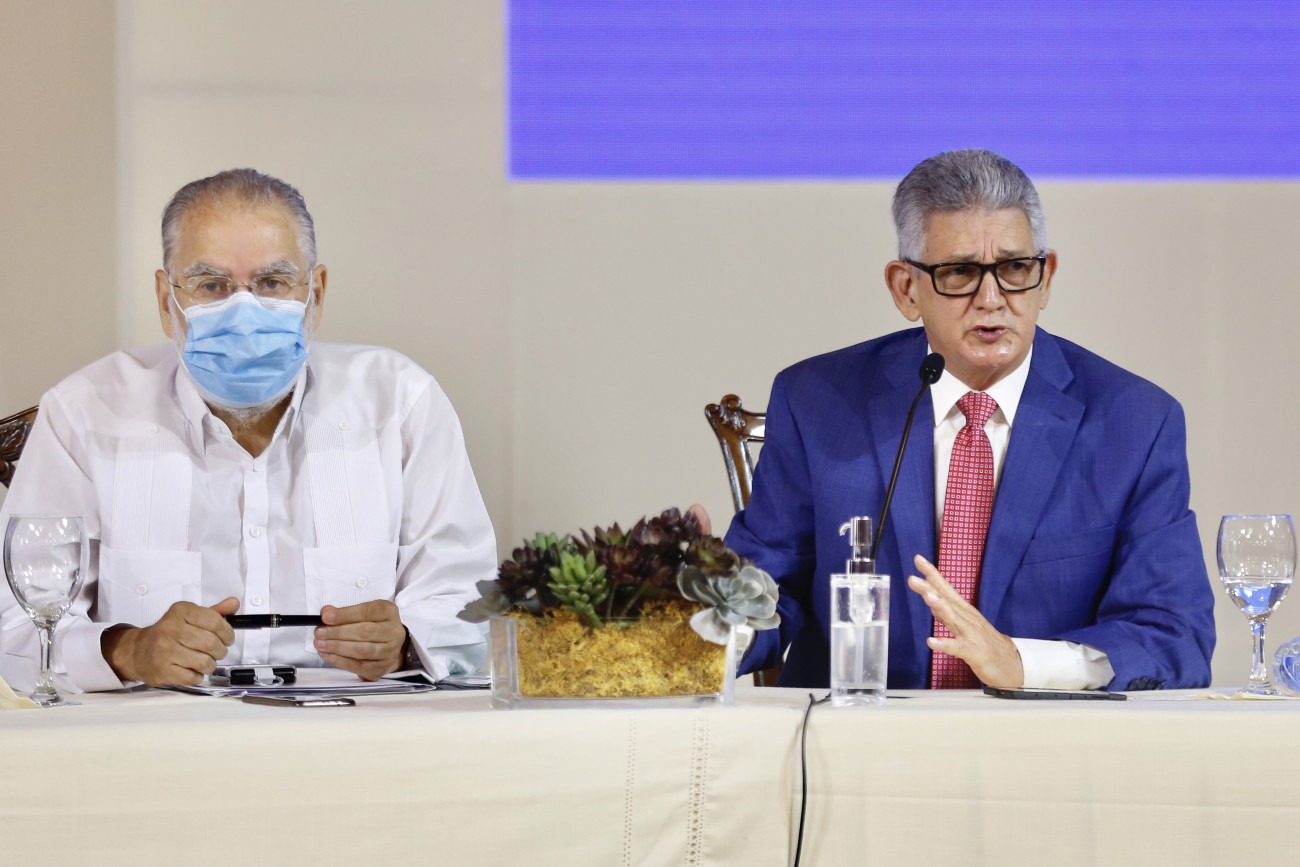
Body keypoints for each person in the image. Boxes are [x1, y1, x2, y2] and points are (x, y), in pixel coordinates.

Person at [726, 149, 1215, 691]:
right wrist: (702, 619)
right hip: (855, 734)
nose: (991, 298)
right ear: (906, 289)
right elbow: (767, 588)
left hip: (1043, 738)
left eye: (1014, 268)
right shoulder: (818, 402)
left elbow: (1173, 634)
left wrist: (1022, 664)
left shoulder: (1135, 422)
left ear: (1045, 278)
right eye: (960, 272)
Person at [0, 169, 496, 692]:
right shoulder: (84, 413)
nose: (243, 311)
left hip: (357, 728)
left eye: (272, 283)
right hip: (156, 732)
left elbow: (467, 601)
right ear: (166, 300)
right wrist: (126, 651)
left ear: (316, 293)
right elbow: (16, 628)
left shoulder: (399, 402)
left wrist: (405, 644)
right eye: (211, 285)